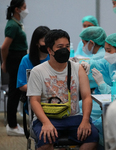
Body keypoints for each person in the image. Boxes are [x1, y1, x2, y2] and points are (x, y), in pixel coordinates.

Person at [27, 29, 98, 150]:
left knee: (93, 137)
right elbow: (34, 101)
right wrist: (46, 122)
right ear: (49, 50)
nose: (64, 50)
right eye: (60, 47)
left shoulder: (78, 69)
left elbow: (86, 97)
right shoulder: (37, 71)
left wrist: (85, 120)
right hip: (47, 117)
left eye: (67, 46)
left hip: (74, 117)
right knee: (45, 141)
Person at [1, 0, 28, 136]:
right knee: (14, 92)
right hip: (14, 60)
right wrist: (4, 63)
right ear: (17, 9)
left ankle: (14, 123)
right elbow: (4, 47)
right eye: (24, 7)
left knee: (16, 92)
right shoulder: (12, 25)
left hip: (19, 59)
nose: (26, 9)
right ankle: (12, 125)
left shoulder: (17, 23)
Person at [17, 26, 50, 92]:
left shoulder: (54, 58)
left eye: (49, 41)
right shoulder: (26, 60)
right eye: (44, 41)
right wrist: (41, 91)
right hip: (33, 97)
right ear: (37, 43)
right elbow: (22, 86)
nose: (48, 44)